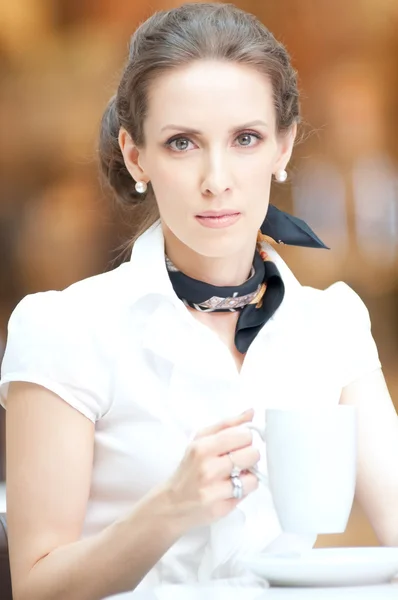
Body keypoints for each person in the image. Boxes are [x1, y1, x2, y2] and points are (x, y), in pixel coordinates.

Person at [1, 3, 398, 599]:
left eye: (245, 139)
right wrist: (169, 509)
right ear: (137, 156)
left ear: (283, 148)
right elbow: (34, 586)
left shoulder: (333, 324)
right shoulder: (64, 328)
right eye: (183, 143)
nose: (217, 178)